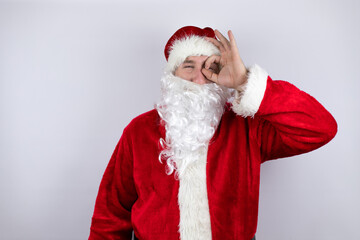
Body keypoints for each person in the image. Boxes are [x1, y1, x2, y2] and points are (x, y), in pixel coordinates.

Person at [88, 26, 337, 240]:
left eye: (210, 67)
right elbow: (111, 213)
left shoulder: (247, 127)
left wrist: (243, 82)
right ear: (172, 75)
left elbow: (320, 128)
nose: (199, 78)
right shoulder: (139, 131)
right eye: (189, 66)